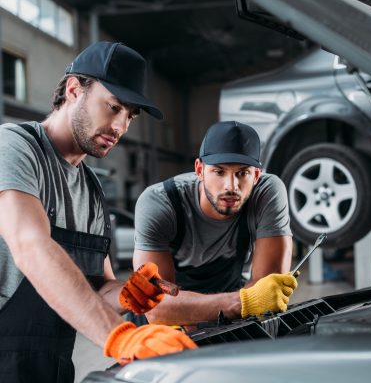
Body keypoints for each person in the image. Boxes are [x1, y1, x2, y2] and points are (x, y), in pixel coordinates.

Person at [0, 41, 196, 383]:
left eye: (130, 116)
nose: (120, 127)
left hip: (49, 369)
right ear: (74, 89)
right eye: (114, 107)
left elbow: (98, 285)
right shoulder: (14, 147)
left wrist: (127, 292)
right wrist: (120, 336)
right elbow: (30, 245)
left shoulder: (91, 188)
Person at [133, 120, 298, 326]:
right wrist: (241, 302)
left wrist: (242, 303)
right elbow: (156, 307)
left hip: (227, 312)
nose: (231, 186)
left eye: (242, 173)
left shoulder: (267, 193)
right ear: (199, 170)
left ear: (256, 175)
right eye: (219, 172)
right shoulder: (159, 203)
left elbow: (265, 294)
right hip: (161, 326)